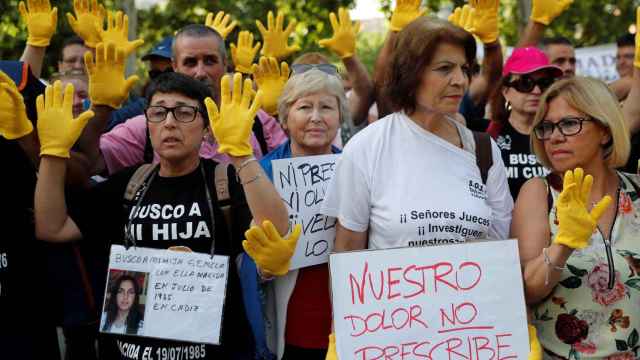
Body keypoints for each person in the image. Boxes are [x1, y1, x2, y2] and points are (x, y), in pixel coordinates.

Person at [34, 71, 289, 359]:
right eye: (158, 113)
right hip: (129, 352)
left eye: (184, 112)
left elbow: (276, 229)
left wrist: (242, 154)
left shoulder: (226, 182)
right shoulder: (128, 184)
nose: (169, 123)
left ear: (207, 127)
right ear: (148, 124)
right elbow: (52, 227)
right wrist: (53, 153)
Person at [512, 76, 639, 359]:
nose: (554, 137)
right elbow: (525, 290)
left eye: (569, 124)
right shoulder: (539, 192)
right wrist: (563, 245)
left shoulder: (637, 190)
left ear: (605, 131)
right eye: (546, 127)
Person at [95, 24, 286, 176]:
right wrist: (101, 108)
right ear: (175, 66)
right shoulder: (147, 126)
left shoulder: (257, 120)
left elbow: (296, 171)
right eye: (190, 62)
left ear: (225, 64)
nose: (200, 72)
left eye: (210, 61)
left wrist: (282, 114)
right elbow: (91, 163)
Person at [253, 65, 346, 360]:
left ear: (340, 116)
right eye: (305, 107)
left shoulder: (358, 170)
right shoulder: (263, 173)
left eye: (327, 107)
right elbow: (248, 257)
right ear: (285, 117)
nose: (316, 117)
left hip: (345, 324)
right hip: (287, 324)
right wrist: (263, 268)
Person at [487, 47, 563, 198]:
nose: (536, 91)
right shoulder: (487, 134)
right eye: (525, 83)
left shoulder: (563, 134)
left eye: (544, 83)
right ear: (506, 91)